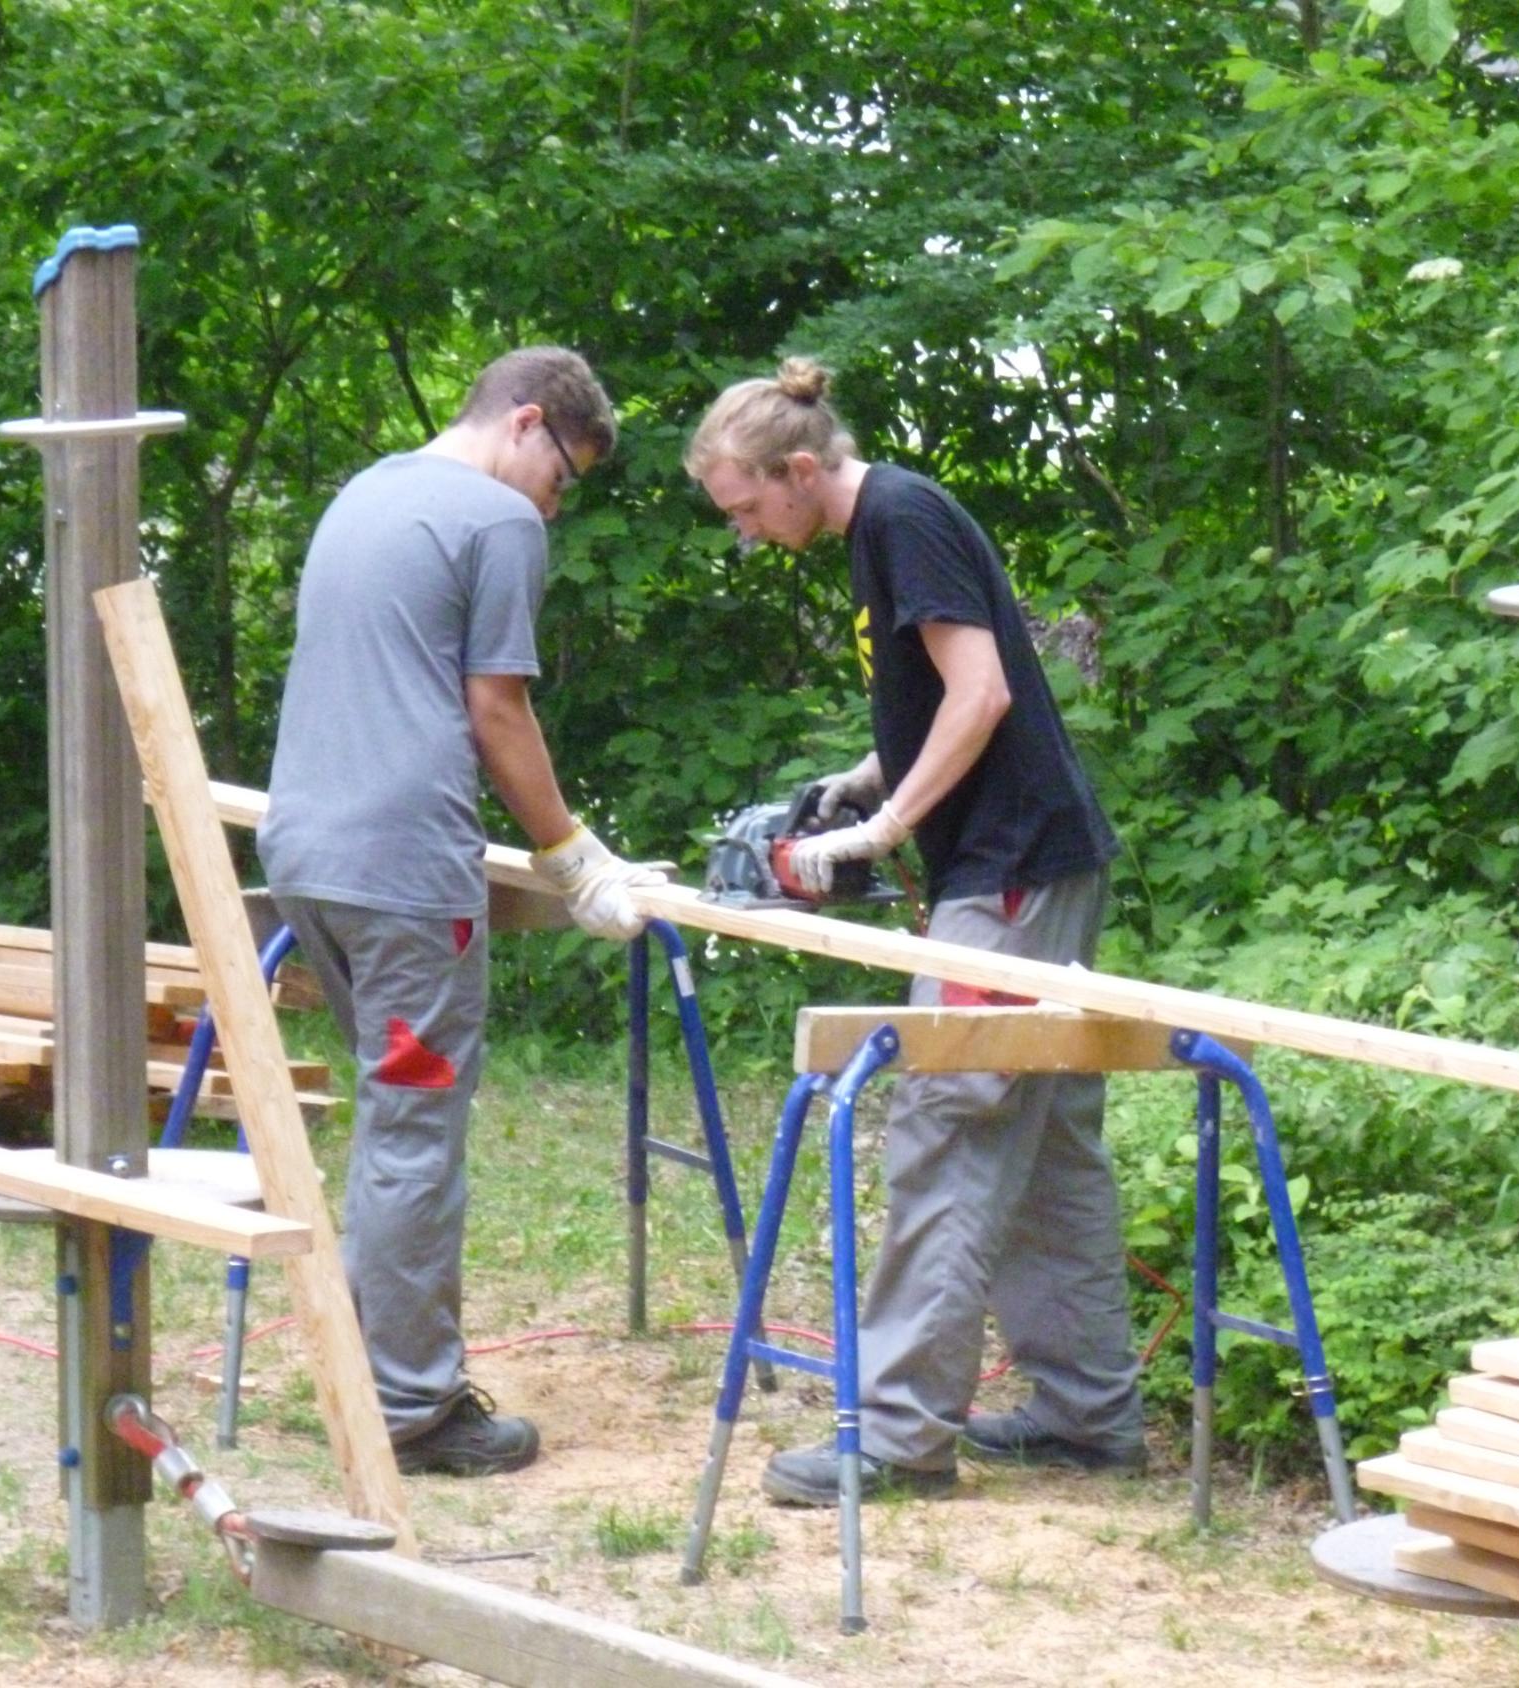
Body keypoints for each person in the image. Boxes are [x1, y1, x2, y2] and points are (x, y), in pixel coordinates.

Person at [685, 357, 1144, 1504]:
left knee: (946, 1123)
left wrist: (884, 826)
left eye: (747, 507)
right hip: (1030, 862)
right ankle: (1088, 1410)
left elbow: (983, 695)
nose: (745, 532)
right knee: (1042, 1141)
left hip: (1014, 874)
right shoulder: (888, 525)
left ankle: (895, 1436)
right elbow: (952, 702)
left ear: (800, 468)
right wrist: (864, 778)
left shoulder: (900, 516)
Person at [260, 346, 662, 1477]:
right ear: (527, 423)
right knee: (414, 1132)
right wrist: (576, 857)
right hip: (401, 878)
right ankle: (410, 1407)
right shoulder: (497, 521)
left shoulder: (366, 491)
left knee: (394, 1122)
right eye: (563, 474)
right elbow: (497, 707)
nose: (555, 501)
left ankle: (366, 1368)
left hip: (307, 857)